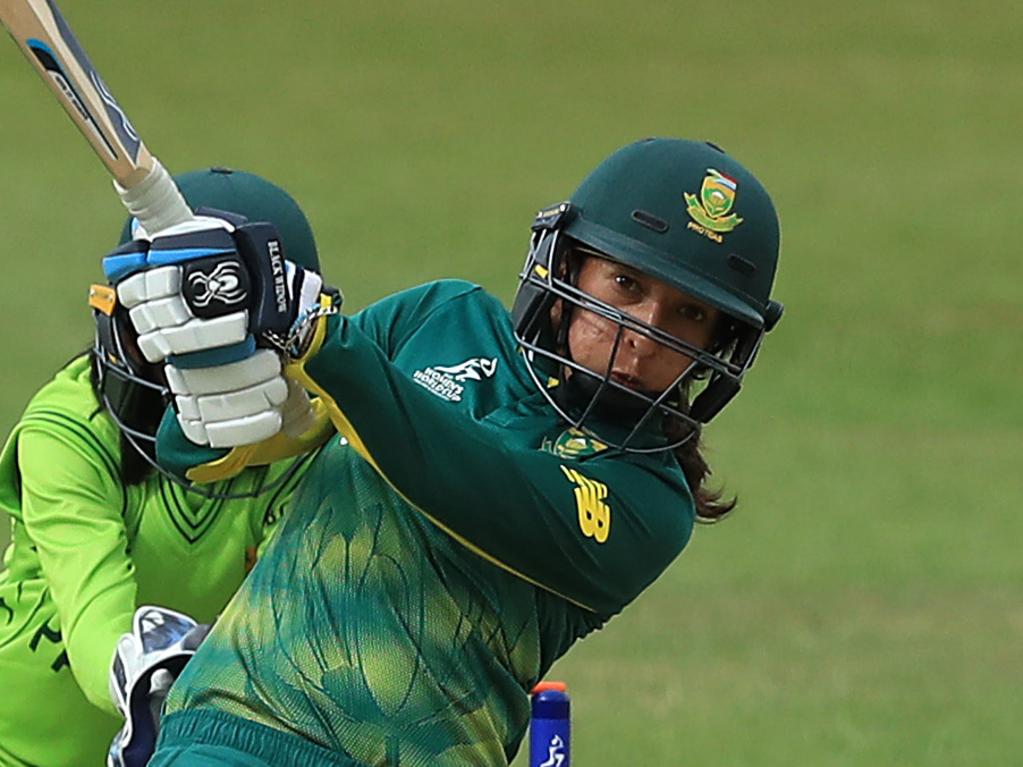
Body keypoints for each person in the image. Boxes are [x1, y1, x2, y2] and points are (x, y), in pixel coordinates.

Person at [118, 138, 783, 766]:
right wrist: (228, 354)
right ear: (566, 263)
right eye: (626, 285)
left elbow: (476, 486)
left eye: (689, 315)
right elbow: (194, 451)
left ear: (721, 344)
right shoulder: (441, 318)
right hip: (233, 726)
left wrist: (318, 337)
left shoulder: (649, 499)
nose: (645, 332)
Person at [0, 168, 329, 767]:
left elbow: (294, 625)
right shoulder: (69, 429)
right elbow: (95, 616)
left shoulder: (305, 449)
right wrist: (145, 676)